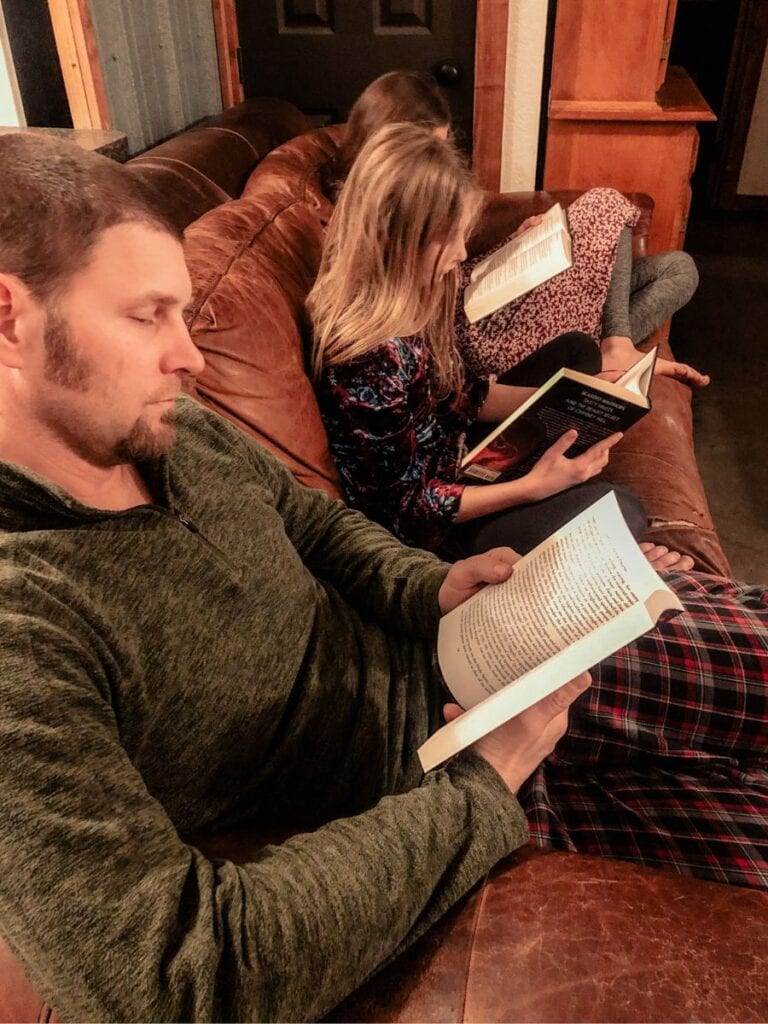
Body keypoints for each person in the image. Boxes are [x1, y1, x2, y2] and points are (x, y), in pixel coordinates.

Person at [1, 135, 767, 1024]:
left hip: (462, 646)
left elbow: (317, 523)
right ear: (9, 318)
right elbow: (171, 980)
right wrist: (482, 785)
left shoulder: (176, 432)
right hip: (426, 775)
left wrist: (429, 587)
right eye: (147, 316)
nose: (193, 357)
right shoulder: (25, 623)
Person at [309, 122, 688, 565]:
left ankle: (567, 489)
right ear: (395, 237)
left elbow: (458, 394)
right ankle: (566, 510)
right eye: (447, 238)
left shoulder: (406, 296)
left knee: (577, 352)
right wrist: (535, 487)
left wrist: (563, 398)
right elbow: (408, 512)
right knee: (626, 511)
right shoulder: (370, 356)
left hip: (459, 454)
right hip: (442, 527)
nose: (459, 254)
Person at [338, 70, 709, 388]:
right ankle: (615, 344)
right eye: (430, 149)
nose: (442, 163)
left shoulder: (413, 223)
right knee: (604, 203)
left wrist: (511, 248)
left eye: (443, 145)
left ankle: (608, 341)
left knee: (678, 269)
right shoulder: (368, 234)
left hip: (482, 297)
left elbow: (447, 271)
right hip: (482, 330)